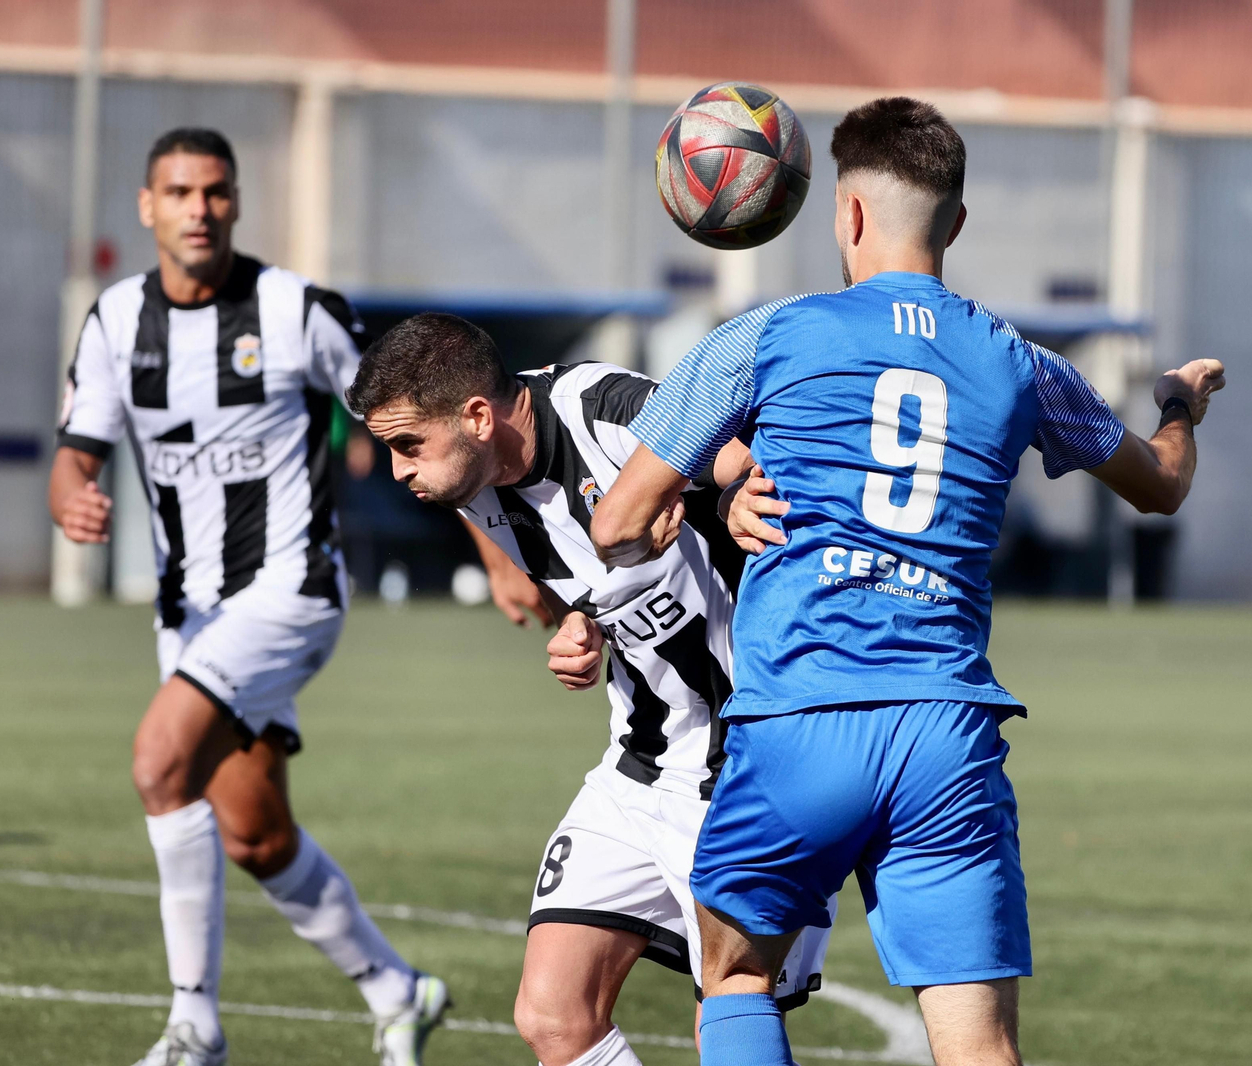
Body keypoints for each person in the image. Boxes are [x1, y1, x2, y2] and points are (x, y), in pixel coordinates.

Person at [589, 97, 1227, 1066]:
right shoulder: (1020, 362)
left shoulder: (767, 338)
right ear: (956, 224)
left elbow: (620, 521)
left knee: (737, 975)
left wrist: (723, 503)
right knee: (977, 1045)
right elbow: (1161, 484)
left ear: (844, 215)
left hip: (800, 720)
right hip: (945, 730)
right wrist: (1179, 404)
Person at [48, 127, 448, 1066]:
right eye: (179, 193)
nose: (199, 209)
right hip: (190, 615)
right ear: (148, 206)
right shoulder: (113, 322)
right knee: (255, 836)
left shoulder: (293, 310)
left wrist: (502, 554)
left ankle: (195, 1024)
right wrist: (71, 493)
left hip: (291, 589)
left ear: (236, 202)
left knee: (158, 762)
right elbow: (77, 451)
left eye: (216, 192)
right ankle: (400, 992)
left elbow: (409, 423)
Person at [343, 314, 833, 1066]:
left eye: (409, 445)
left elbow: (742, 460)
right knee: (552, 1014)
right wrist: (582, 626)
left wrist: (738, 493)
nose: (399, 470)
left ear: (478, 417)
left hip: (751, 766)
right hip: (639, 765)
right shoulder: (476, 483)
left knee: (730, 1021)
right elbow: (596, 579)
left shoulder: (605, 407)